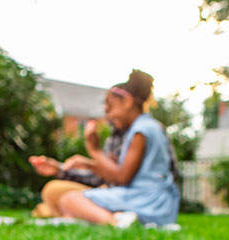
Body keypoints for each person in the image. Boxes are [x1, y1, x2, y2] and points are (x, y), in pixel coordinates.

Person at [55, 70, 180, 227]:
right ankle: (121, 217)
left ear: (127, 102)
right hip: (162, 204)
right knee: (72, 209)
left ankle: (115, 222)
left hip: (147, 200)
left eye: (110, 108)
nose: (108, 116)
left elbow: (122, 177)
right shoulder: (152, 126)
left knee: (69, 200)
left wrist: (94, 150)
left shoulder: (140, 131)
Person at [28, 124, 124, 217]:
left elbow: (121, 177)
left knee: (54, 194)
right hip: (105, 189)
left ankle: (67, 211)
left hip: (118, 193)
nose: (106, 110)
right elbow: (97, 178)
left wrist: (94, 153)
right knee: (53, 192)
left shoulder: (134, 133)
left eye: (110, 106)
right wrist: (58, 169)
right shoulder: (115, 135)